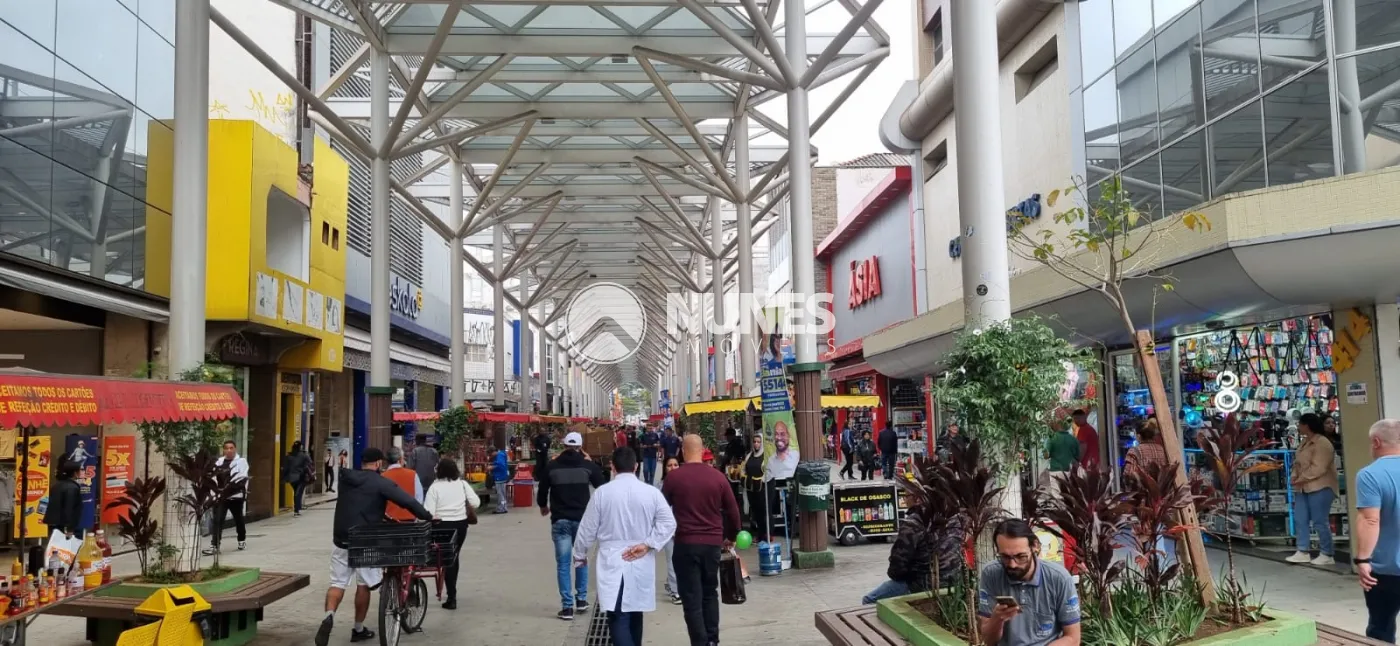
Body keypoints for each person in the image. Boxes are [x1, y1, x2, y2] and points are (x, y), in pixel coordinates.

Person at [315, 447, 435, 646]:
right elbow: (408, 502)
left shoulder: (346, 479)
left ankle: (329, 615)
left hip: (342, 538)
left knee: (337, 583)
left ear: (362, 462)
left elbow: (360, 504)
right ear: (379, 463)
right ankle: (358, 629)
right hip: (365, 541)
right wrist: (428, 517)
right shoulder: (381, 482)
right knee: (363, 585)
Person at [571, 447, 677, 646]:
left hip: (612, 560)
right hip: (641, 559)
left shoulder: (602, 494)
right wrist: (648, 544)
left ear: (612, 467)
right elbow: (669, 523)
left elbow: (587, 529)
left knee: (618, 615)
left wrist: (580, 554)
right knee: (635, 613)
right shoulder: (651, 493)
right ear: (636, 466)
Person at [662, 434, 741, 646]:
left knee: (691, 599)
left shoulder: (673, 478)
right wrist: (731, 537)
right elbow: (733, 512)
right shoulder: (718, 477)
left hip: (685, 544)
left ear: (683, 452)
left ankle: (699, 642)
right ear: (702, 450)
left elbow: (660, 510)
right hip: (712, 544)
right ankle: (713, 640)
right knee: (709, 593)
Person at [977, 519, 1081, 646]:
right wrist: (997, 619)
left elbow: (1073, 638)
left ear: (1035, 546)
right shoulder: (991, 574)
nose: (1012, 564)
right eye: (1005, 557)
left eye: (1021, 556)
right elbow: (988, 640)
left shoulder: (1059, 578)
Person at [537, 431, 606, 620]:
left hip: (560, 520)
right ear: (580, 447)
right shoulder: (587, 465)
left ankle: (567, 607)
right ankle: (581, 600)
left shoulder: (552, 466)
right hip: (582, 521)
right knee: (580, 559)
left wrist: (543, 506)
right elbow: (602, 485)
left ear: (564, 446)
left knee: (563, 564)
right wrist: (592, 462)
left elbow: (542, 490)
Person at [1356, 419, 1400, 641]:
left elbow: (1370, 520)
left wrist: (1363, 559)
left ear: (1376, 442)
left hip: (1386, 569)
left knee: (1380, 628)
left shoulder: (1370, 475)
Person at [863, 509, 965, 604]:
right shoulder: (957, 518)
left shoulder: (914, 522)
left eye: (906, 497)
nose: (905, 500)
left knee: (869, 599)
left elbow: (896, 567)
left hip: (921, 586)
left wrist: (910, 575)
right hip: (954, 583)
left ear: (917, 498)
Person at [423, 458, 479, 610]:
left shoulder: (434, 488)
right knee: (453, 557)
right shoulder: (462, 484)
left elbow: (428, 511)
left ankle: (450, 595)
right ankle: (452, 596)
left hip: (441, 527)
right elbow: (476, 502)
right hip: (460, 526)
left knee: (445, 558)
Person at [1286, 413, 1339, 566]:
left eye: (1300, 424)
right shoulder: (1305, 442)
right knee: (1300, 518)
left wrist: (1300, 478)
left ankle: (1327, 553)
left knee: (1319, 521)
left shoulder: (1323, 443)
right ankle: (1302, 550)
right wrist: (1294, 476)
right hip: (1303, 487)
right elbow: (1298, 463)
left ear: (1307, 425)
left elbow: (1319, 468)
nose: (1298, 427)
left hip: (1321, 486)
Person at [205, 440, 250, 554]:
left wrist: (231, 488)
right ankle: (215, 545)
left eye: (231, 448)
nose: (229, 450)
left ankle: (241, 540)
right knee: (218, 520)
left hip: (235, 496)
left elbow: (242, 477)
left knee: (238, 519)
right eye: (226, 448)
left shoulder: (241, 462)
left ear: (235, 449)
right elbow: (213, 478)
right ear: (223, 450)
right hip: (221, 496)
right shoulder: (218, 462)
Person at [660, 456, 683, 605]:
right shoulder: (660, 486)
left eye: (676, 465)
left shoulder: (685, 483)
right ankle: (675, 591)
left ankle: (671, 582)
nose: (673, 468)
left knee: (681, 560)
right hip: (668, 530)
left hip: (683, 528)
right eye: (670, 465)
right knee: (672, 560)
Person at [43, 457, 83, 538]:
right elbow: (69, 508)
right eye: (80, 470)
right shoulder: (72, 487)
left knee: (55, 544)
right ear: (75, 473)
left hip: (54, 523)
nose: (82, 472)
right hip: (64, 526)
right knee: (68, 545)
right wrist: (69, 528)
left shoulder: (57, 485)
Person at [742, 434, 769, 541]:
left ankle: (766, 534)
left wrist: (761, 480)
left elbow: (768, 471)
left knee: (763, 512)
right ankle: (759, 534)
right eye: (754, 442)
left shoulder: (765, 456)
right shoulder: (749, 455)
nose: (756, 444)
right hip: (751, 489)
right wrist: (744, 478)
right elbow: (744, 468)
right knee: (755, 511)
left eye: (758, 442)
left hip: (762, 489)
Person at [1044, 422, 1081, 499]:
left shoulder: (1051, 438)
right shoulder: (1073, 439)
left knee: (1056, 495)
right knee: (1069, 495)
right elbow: (1078, 458)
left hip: (1055, 471)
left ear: (1056, 425)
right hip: (1068, 472)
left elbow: (1046, 455)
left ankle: (1059, 505)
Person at [282, 440, 314, 516]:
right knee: (298, 493)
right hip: (301, 477)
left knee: (296, 492)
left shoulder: (289, 456)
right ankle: (297, 510)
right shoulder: (304, 455)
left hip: (291, 478)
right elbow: (310, 462)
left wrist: (284, 477)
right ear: (300, 446)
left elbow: (285, 468)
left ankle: (297, 509)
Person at [491, 442, 510, 514]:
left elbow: (501, 465)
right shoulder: (501, 454)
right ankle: (503, 507)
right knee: (502, 493)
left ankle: (501, 508)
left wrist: (492, 467)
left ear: (493, 451)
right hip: (502, 476)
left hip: (500, 477)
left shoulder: (499, 456)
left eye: (491, 454)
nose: (491, 456)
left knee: (500, 493)